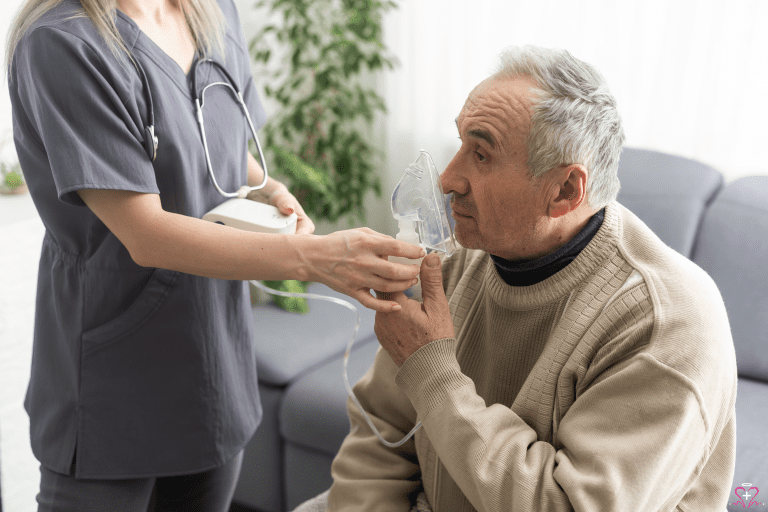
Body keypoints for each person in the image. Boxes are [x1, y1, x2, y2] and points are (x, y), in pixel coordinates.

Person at [5, 0, 425, 510]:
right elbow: (147, 234)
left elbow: (217, 131)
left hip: (214, 363)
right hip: (112, 380)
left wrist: (266, 185)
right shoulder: (64, 42)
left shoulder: (212, 10)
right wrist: (315, 258)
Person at [299, 46, 737, 512]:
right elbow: (382, 427)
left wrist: (432, 371)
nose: (447, 179)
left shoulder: (668, 324)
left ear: (565, 191)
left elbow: (565, 504)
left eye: (482, 155)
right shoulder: (460, 257)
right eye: (461, 143)